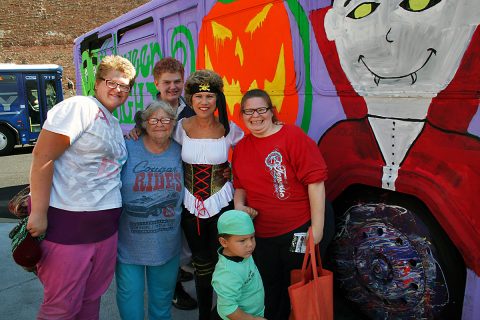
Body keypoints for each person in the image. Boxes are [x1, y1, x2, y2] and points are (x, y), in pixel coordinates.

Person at [27, 55, 136, 319]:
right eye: (112, 82)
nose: (118, 89)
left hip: (105, 231)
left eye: (125, 86)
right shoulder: (80, 106)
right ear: (97, 83)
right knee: (61, 307)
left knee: (91, 301)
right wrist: (39, 212)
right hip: (69, 229)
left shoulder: (111, 122)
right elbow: (43, 157)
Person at [232, 89, 328, 320]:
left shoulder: (292, 137)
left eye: (261, 109)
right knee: (269, 288)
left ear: (271, 112)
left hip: (297, 231)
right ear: (242, 115)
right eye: (248, 111)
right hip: (262, 236)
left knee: (298, 287)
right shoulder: (242, 147)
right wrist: (238, 206)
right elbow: (240, 186)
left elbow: (315, 184)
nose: (255, 116)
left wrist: (317, 230)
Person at [174, 69, 244, 320]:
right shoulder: (180, 128)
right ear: (191, 100)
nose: (204, 103)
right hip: (190, 205)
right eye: (199, 97)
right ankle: (205, 315)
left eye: (210, 97)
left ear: (217, 99)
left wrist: (233, 172)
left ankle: (225, 312)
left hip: (222, 202)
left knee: (226, 262)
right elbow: (162, 150)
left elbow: (249, 154)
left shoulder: (229, 128)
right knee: (202, 265)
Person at [130, 57, 198, 310]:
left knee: (183, 239)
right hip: (162, 185)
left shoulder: (191, 110)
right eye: (167, 82)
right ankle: (173, 291)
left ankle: (178, 272)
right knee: (168, 238)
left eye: (177, 81)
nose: (173, 87)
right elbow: (140, 142)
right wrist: (137, 131)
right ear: (157, 83)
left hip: (188, 182)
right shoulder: (148, 116)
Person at [116, 100, 184, 320]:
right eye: (153, 119)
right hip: (129, 244)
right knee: (130, 300)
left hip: (167, 243)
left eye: (166, 119)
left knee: (162, 303)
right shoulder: (127, 147)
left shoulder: (181, 151)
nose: (160, 124)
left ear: (174, 123)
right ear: (144, 123)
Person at [212, 210, 266, 320]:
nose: (250, 244)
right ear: (224, 242)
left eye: (252, 237)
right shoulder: (226, 274)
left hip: (254, 312)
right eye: (242, 240)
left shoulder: (243, 253)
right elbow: (228, 309)